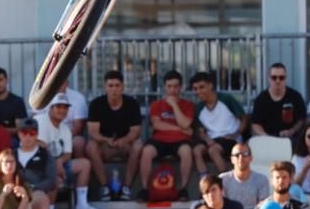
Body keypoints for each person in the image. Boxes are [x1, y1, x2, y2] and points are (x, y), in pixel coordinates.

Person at [37, 93, 103, 209]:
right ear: (51, 108)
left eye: (65, 107)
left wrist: (60, 161)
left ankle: (82, 206)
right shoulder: (40, 121)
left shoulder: (65, 129)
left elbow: (67, 153)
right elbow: (40, 146)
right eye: (58, 107)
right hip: (39, 165)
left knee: (84, 164)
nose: (62, 110)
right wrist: (55, 163)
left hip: (58, 163)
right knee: (54, 175)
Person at [138, 71, 195, 202]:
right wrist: (181, 129)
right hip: (159, 139)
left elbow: (186, 122)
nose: (172, 90)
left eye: (175, 86)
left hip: (180, 140)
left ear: (181, 87)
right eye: (169, 86)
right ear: (164, 87)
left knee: (186, 151)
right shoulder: (156, 105)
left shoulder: (188, 105)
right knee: (146, 151)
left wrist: (174, 105)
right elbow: (157, 125)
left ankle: (182, 189)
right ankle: (144, 189)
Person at [85, 71, 142, 200]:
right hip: (104, 146)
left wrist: (124, 140)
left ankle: (126, 187)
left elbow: (136, 131)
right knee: (90, 147)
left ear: (122, 87)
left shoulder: (132, 104)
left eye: (117, 85)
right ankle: (104, 187)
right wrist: (106, 140)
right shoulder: (96, 104)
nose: (114, 89)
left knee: (138, 145)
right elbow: (93, 131)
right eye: (110, 86)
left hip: (125, 145)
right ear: (105, 87)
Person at [12, 119, 55, 209]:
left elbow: (51, 180)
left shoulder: (45, 155)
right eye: (24, 133)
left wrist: (33, 188)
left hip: (36, 191)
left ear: (37, 135)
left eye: (32, 133)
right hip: (13, 192)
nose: (28, 137)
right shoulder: (10, 154)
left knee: (41, 200)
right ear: (19, 134)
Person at [192, 72, 247, 174]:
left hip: (230, 138)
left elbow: (243, 118)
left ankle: (224, 181)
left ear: (210, 85)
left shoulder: (226, 99)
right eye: (195, 89)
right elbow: (201, 132)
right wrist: (207, 140)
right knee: (197, 151)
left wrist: (235, 134)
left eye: (201, 87)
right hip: (212, 139)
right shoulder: (198, 108)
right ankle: (205, 180)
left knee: (213, 151)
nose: (198, 91)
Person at [250, 62, 307, 138]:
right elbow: (255, 124)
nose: (278, 81)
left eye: (281, 77)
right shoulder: (261, 100)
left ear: (286, 78)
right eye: (274, 77)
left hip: (292, 140)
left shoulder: (295, 97)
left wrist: (292, 131)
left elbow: (302, 120)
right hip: (268, 139)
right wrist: (266, 137)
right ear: (269, 79)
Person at [221, 143, 271, 209]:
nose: (241, 158)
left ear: (251, 158)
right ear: (232, 159)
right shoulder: (223, 179)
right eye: (237, 155)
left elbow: (263, 207)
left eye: (244, 154)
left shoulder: (261, 180)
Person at [0, 67, 28, 141]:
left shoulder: (17, 102)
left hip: (12, 140)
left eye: (0, 80)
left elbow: (21, 128)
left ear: (6, 80)